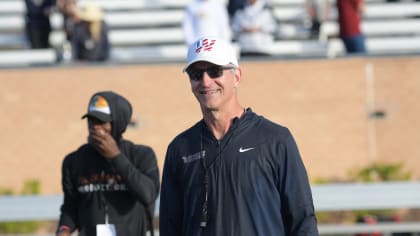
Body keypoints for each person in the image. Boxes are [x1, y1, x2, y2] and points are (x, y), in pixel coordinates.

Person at [159, 36, 318, 236]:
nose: (206, 81)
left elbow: (302, 218)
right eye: (196, 74)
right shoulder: (180, 148)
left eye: (215, 71)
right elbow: (169, 225)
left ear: (236, 76)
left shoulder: (275, 139)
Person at [56, 91, 160, 236]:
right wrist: (64, 230)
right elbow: (70, 207)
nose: (95, 127)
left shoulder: (141, 155)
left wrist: (116, 157)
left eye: (101, 122)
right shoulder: (74, 161)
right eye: (91, 120)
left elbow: (148, 194)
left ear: (118, 123)